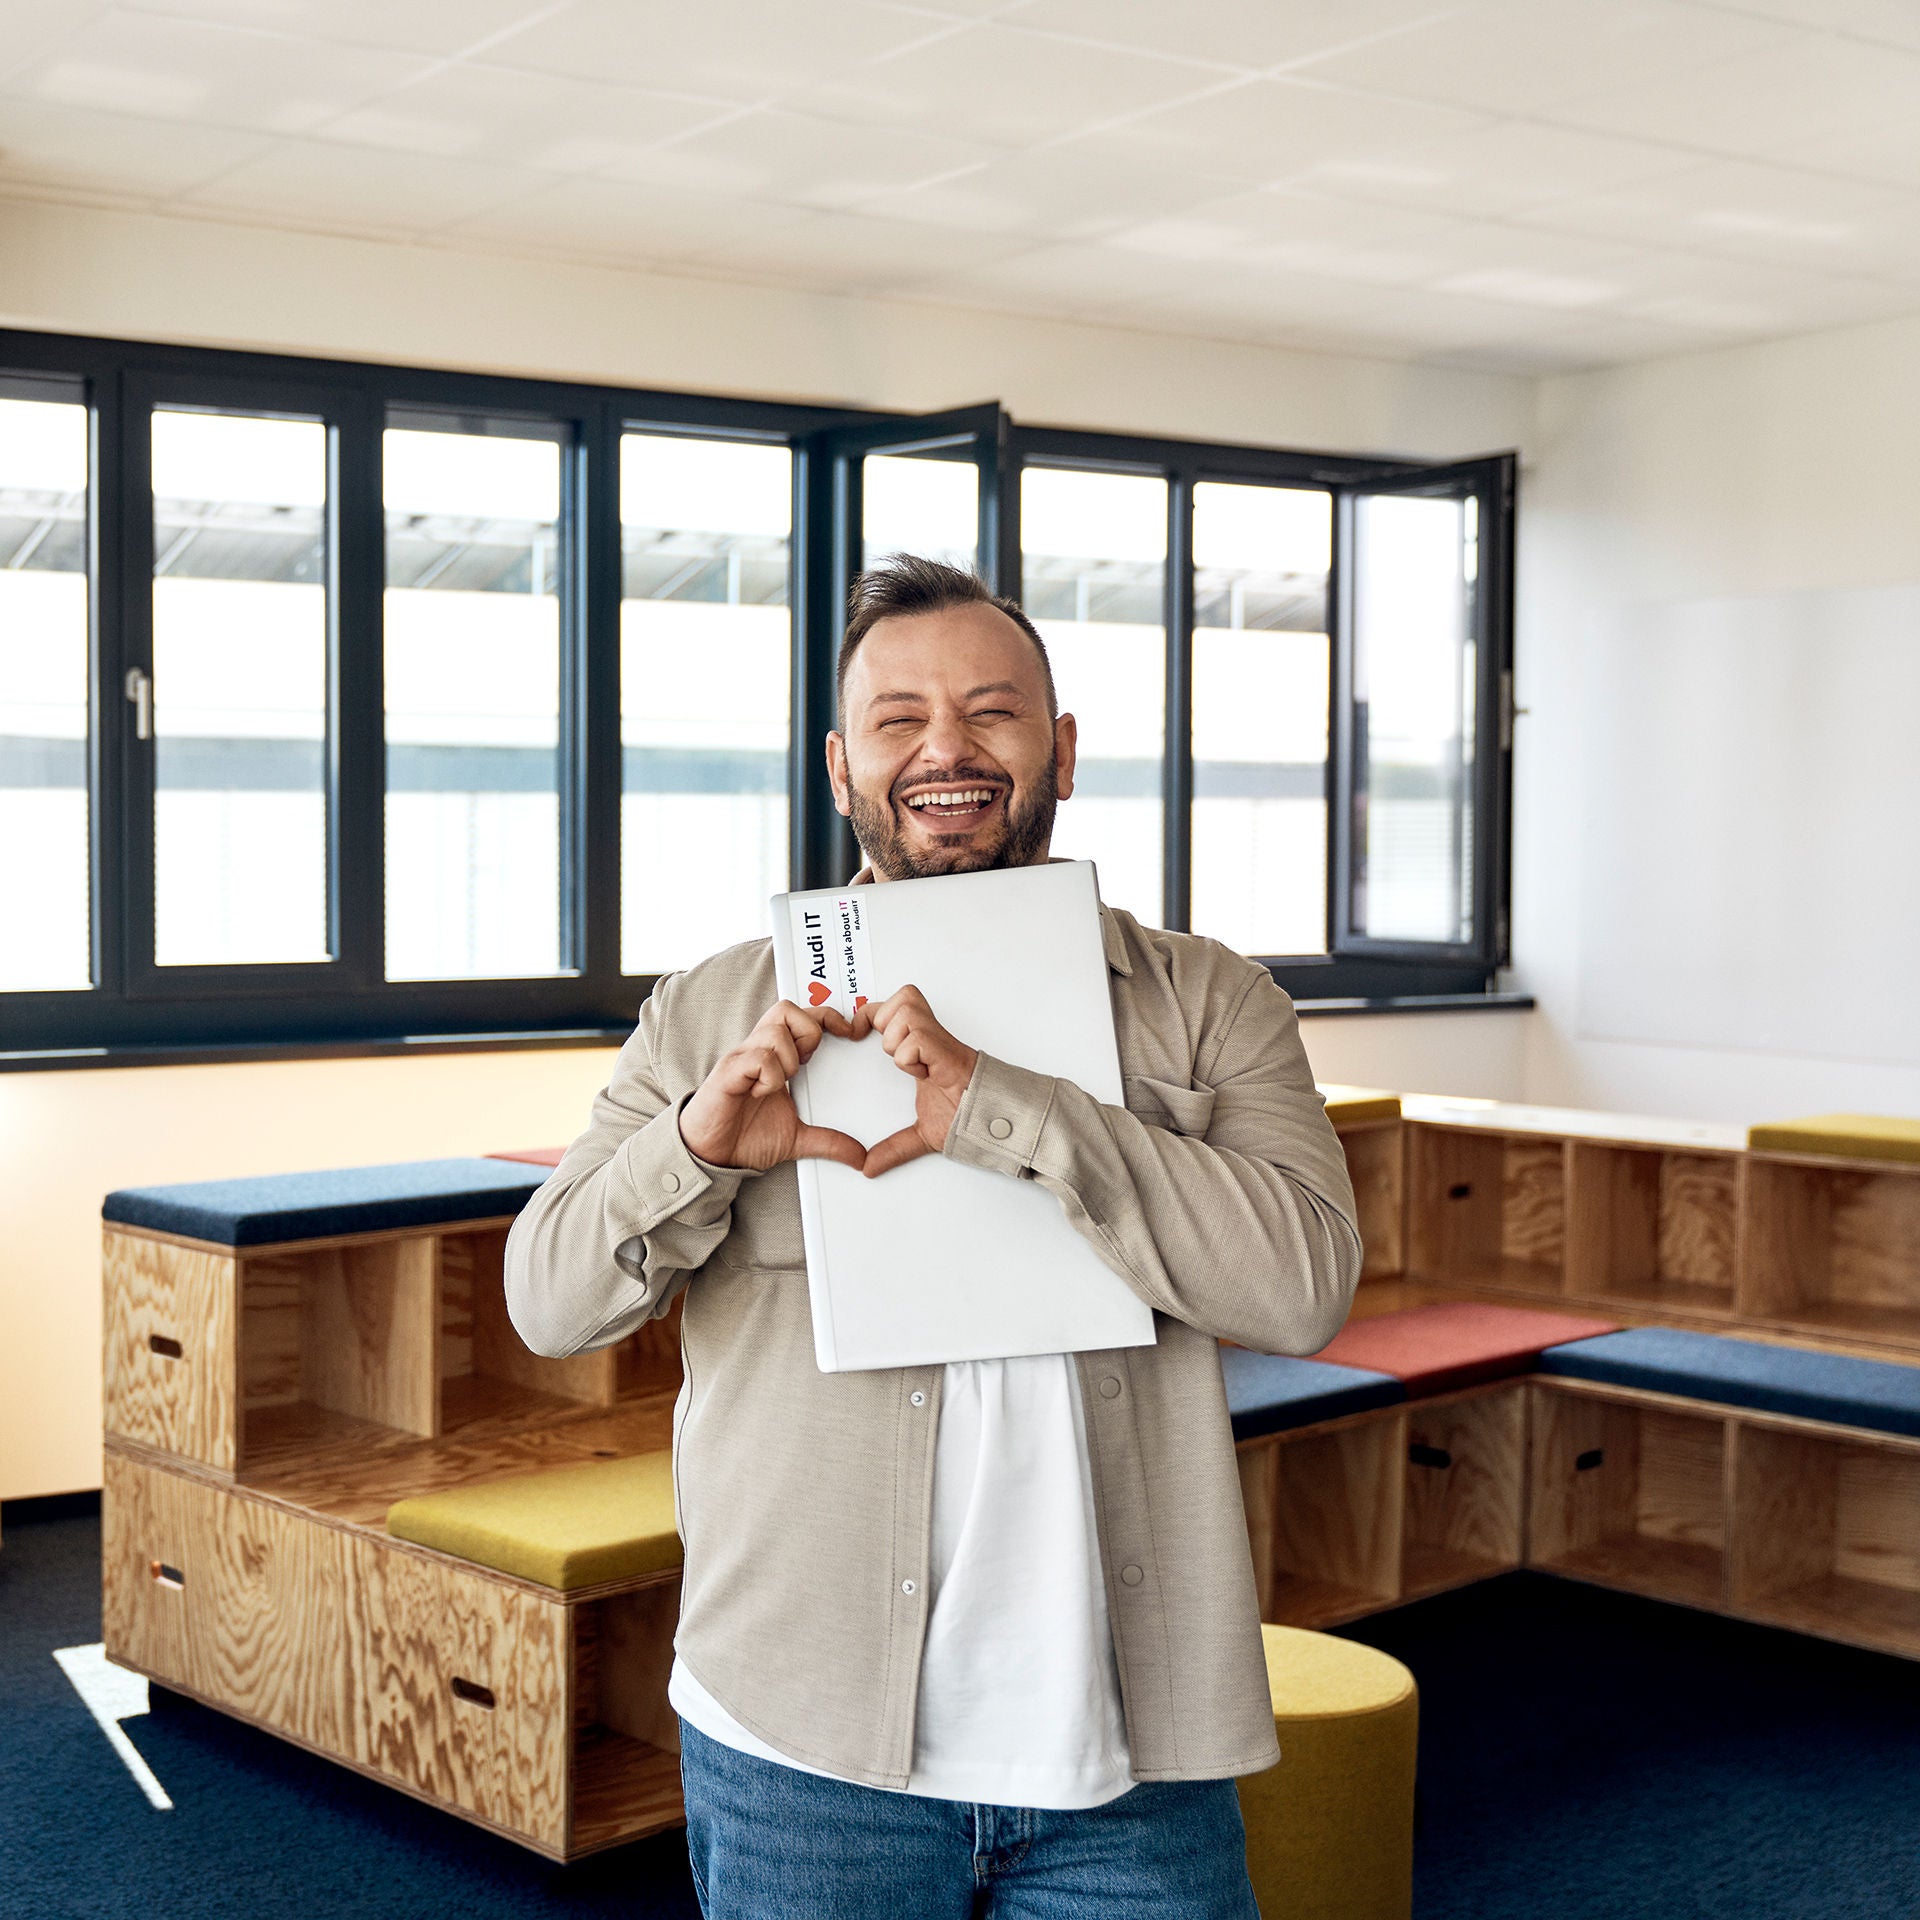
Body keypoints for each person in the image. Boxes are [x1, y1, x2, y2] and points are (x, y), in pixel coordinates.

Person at [505, 554, 1362, 1919]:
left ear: (1061, 750)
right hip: (802, 1744)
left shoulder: (1212, 1004)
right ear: (844, 768)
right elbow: (548, 1300)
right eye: (900, 720)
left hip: (1128, 1749)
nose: (946, 750)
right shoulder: (713, 1007)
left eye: (993, 712)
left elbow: (1306, 1285)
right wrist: (695, 1151)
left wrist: (1015, 1113)